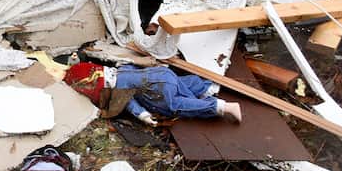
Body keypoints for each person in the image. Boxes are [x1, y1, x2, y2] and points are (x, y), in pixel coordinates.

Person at [63, 60, 241, 125]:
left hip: (156, 90)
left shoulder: (120, 90)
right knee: (179, 84)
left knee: (175, 105)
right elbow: (133, 64)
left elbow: (131, 104)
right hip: (162, 74)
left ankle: (221, 107)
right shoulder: (122, 69)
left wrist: (143, 115)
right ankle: (206, 88)